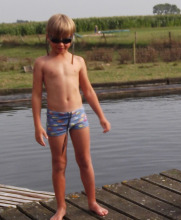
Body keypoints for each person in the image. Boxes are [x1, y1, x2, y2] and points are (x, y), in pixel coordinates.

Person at [32, 14, 110, 220]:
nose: (61, 44)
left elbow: (89, 91)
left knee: (85, 160)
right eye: (56, 39)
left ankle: (92, 201)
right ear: (47, 37)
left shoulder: (78, 61)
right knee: (59, 164)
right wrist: (37, 125)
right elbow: (37, 95)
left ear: (72, 38)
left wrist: (101, 116)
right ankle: (61, 207)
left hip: (78, 116)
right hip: (55, 117)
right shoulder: (42, 63)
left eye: (66, 40)